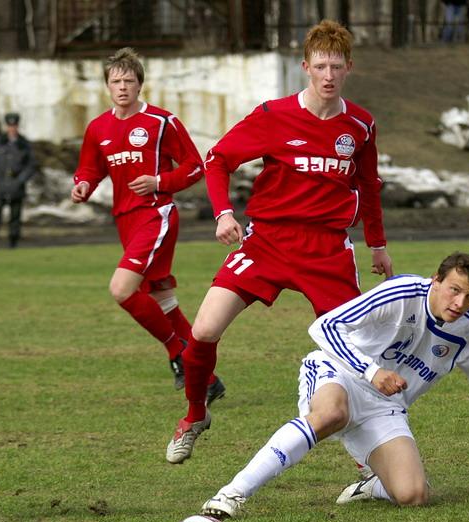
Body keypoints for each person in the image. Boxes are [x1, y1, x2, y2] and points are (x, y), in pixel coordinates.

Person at [165, 20, 393, 464]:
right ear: (305, 67)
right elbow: (218, 161)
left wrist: (377, 244)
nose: (328, 75)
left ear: (349, 68)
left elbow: (369, 185)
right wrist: (223, 212)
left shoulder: (360, 126)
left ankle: (371, 462)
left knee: (356, 356)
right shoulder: (273, 115)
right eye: (320, 66)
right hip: (266, 242)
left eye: (337, 66)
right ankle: (195, 414)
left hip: (327, 249)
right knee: (205, 329)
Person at [199, 252, 469, 518]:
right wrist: (372, 372)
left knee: (413, 495)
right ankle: (231, 495)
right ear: (435, 281)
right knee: (331, 414)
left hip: (384, 406)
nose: (460, 302)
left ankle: (373, 485)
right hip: (340, 371)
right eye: (454, 289)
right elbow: (325, 326)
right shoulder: (402, 292)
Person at [71, 47, 225, 402]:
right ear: (107, 87)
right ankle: (208, 379)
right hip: (125, 220)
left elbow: (194, 166)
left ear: (140, 84)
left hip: (156, 215)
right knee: (161, 299)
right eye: (115, 81)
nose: (122, 87)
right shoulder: (98, 128)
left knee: (122, 289)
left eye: (128, 80)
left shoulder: (161, 122)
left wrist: (160, 182)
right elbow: (91, 167)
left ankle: (177, 354)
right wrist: (83, 184)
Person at [0, 112, 37, 248]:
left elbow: (31, 165)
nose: (12, 128)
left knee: (15, 216)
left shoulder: (24, 144)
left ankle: (13, 243)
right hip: (1, 184)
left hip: (17, 185)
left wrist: (20, 180)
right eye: (10, 125)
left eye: (14, 125)